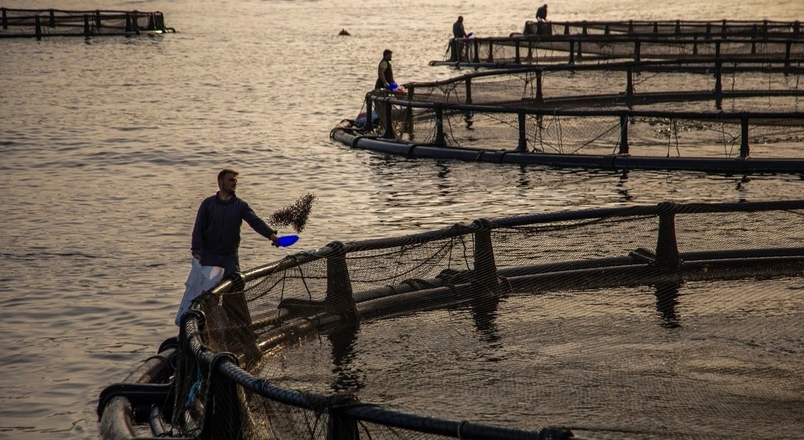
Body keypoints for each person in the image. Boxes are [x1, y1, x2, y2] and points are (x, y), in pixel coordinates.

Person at [191, 169, 280, 276]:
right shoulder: (208, 204)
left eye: (235, 181)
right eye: (231, 180)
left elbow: (256, 222)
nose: (234, 183)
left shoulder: (241, 205)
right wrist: (196, 251)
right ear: (220, 183)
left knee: (236, 285)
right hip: (209, 255)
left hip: (230, 256)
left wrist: (271, 235)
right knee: (208, 290)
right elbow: (198, 228)